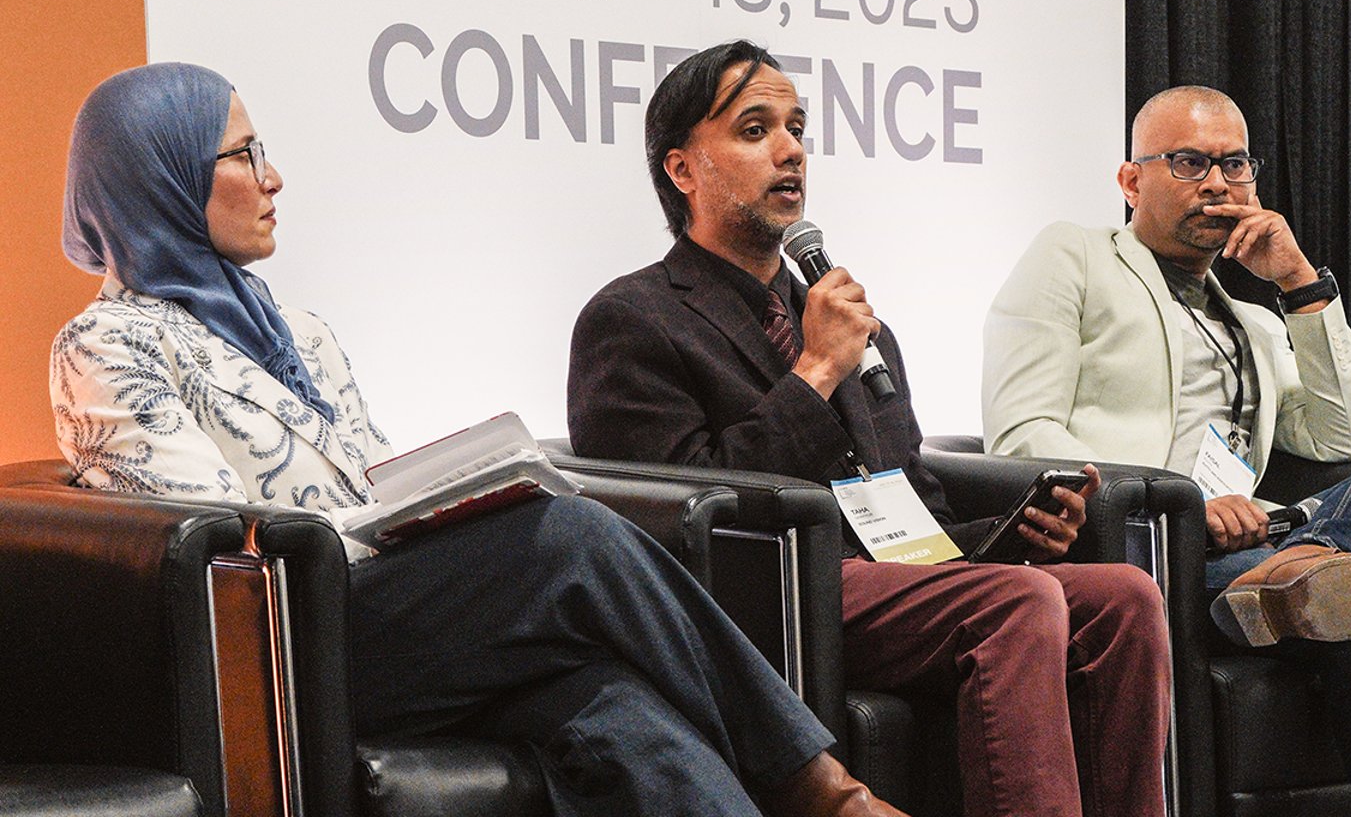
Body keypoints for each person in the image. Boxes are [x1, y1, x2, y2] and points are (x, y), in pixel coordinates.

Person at [49, 61, 911, 817]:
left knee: (615, 709)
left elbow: (370, 479)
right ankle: (823, 790)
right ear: (155, 179)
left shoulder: (297, 330)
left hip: (405, 614)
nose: (273, 178)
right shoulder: (107, 346)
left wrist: (449, 503)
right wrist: (441, 544)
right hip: (296, 639)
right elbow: (212, 543)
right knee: (568, 539)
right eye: (242, 156)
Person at [567, 40, 1171, 817]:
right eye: (754, 131)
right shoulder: (633, 318)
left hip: (890, 584)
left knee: (1124, 597)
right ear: (682, 170)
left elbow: (910, 502)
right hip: (764, 596)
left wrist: (1016, 533)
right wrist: (814, 372)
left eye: (796, 127)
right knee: (1017, 606)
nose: (790, 151)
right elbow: (677, 517)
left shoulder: (845, 318)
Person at [981, 84, 1351, 813]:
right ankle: (1308, 571)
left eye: (1235, 166)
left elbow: (1346, 436)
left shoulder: (1254, 322)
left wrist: (1299, 285)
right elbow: (1021, 435)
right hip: (1134, 549)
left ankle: (1303, 561)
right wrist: (1187, 504)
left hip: (1251, 547)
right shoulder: (1073, 257)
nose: (1219, 184)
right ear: (1132, 180)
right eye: (1190, 163)